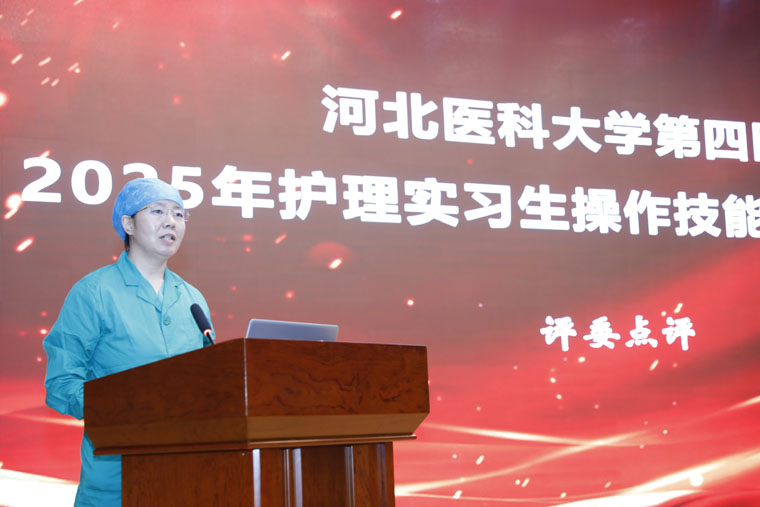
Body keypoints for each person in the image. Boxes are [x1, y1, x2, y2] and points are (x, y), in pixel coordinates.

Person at [43, 178, 215, 506]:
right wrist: (122, 408)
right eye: (158, 211)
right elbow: (62, 383)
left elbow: (210, 381)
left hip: (186, 477)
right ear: (128, 224)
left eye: (179, 214)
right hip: (115, 481)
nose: (171, 221)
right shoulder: (93, 292)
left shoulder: (193, 299)